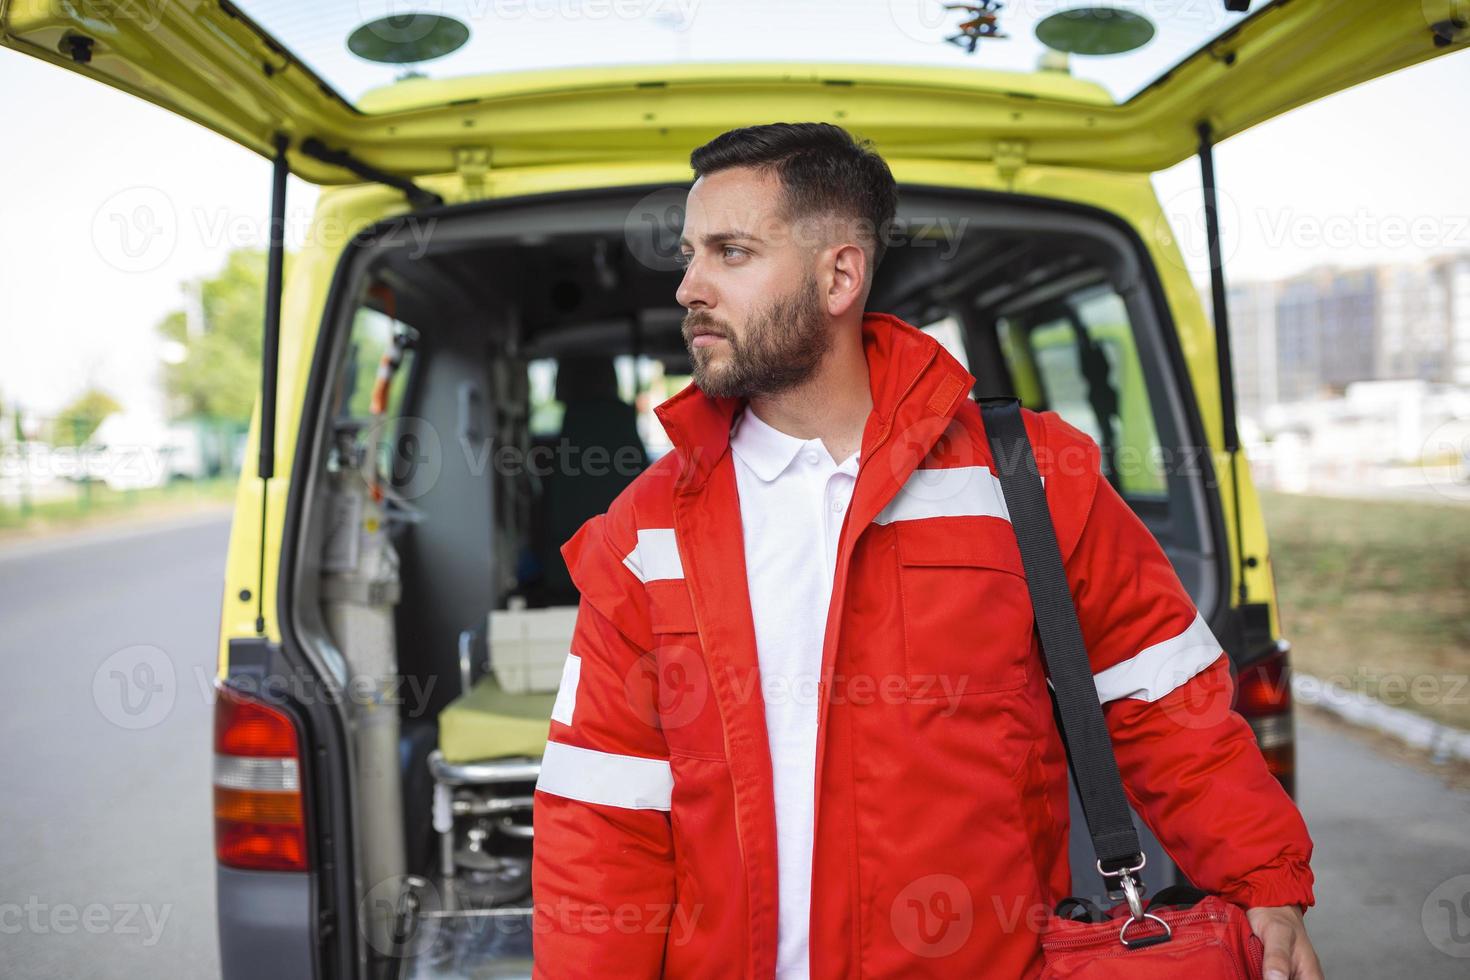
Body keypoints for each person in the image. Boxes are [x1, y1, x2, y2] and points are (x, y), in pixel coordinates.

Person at [530, 122, 1322, 979]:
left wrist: (1263, 881)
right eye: (690, 255)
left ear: (840, 275)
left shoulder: (1031, 474)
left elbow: (1164, 706)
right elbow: (604, 814)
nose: (689, 286)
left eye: (730, 252)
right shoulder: (644, 532)